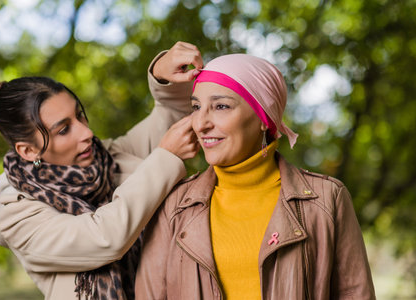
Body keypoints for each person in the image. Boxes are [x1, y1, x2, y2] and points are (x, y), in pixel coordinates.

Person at [135, 53, 376, 299]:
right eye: (196, 107)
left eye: (221, 106)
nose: (201, 123)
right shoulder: (173, 206)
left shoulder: (326, 200)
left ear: (263, 117)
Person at [0, 42, 203, 299]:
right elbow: (105, 237)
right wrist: (166, 158)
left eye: (80, 115)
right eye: (63, 130)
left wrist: (163, 77)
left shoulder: (108, 157)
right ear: (29, 151)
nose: (87, 133)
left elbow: (169, 117)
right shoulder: (17, 219)